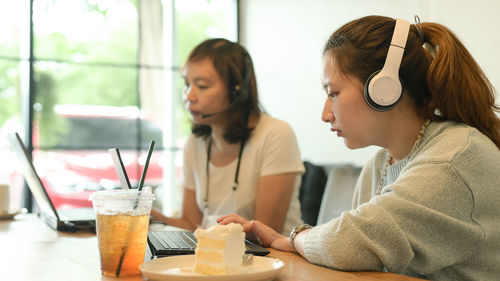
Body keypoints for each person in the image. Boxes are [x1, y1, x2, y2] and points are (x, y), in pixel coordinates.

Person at [218, 16, 500, 280]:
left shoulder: (454, 158)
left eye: (333, 93)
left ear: (383, 88)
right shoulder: (378, 164)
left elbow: (348, 243)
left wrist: (288, 240)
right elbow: (355, 252)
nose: (325, 113)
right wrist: (297, 241)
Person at [151, 38, 305, 235]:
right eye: (187, 84)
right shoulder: (196, 142)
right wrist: (148, 215)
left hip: (272, 260)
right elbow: (191, 225)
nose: (189, 95)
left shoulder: (276, 135)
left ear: (237, 91)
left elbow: (266, 233)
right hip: (215, 259)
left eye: (202, 86)